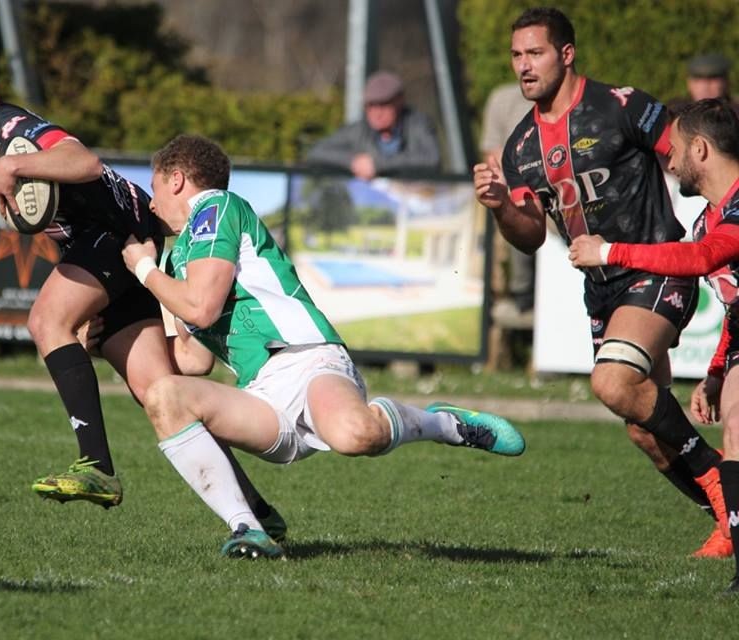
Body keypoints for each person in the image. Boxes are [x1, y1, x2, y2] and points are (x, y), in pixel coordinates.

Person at [0, 61, 285, 540]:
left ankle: (96, 466)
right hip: (100, 242)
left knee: (46, 321)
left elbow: (85, 163)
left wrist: (10, 165)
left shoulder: (8, 126)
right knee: (160, 394)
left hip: (119, 231)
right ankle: (257, 512)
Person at [119, 134, 525, 559]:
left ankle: (446, 424)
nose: (152, 204)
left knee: (356, 435)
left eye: (155, 187)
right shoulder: (176, 261)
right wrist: (114, 342)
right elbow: (193, 359)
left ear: (177, 180)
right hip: (261, 392)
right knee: (165, 396)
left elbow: (201, 309)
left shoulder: (215, 207)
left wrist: (142, 268)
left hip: (307, 358)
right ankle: (248, 529)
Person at [472, 7, 730, 559]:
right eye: (516, 55)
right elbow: (528, 236)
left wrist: (725, 217)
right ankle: (728, 519)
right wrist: (500, 207)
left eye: (535, 53)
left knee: (613, 382)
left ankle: (722, 486)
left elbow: (690, 157)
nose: (523, 65)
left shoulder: (620, 106)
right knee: (644, 429)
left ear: (566, 54)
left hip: (656, 268)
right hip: (603, 290)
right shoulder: (520, 146)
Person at [568, 99, 739, 592]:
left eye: (677, 148)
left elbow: (701, 258)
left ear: (700, 150)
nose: (670, 158)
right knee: (706, 430)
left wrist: (609, 251)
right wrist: (716, 370)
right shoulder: (707, 218)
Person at [306, 70, 440, 180]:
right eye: (371, 106)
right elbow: (316, 151)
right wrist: (353, 161)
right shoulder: (358, 130)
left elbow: (431, 158)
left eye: (383, 105)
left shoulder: (417, 125)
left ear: (399, 101)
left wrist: (378, 164)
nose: (377, 113)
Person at [481, 82, 535, 317]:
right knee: (511, 213)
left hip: (557, 191)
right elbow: (491, 154)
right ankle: (518, 293)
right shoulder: (503, 99)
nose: (525, 66)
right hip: (516, 185)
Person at [666, 54, 737, 115]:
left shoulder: (735, 112)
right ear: (689, 83)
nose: (705, 87)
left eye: (711, 80)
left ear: (726, 82)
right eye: (698, 80)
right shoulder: (675, 111)